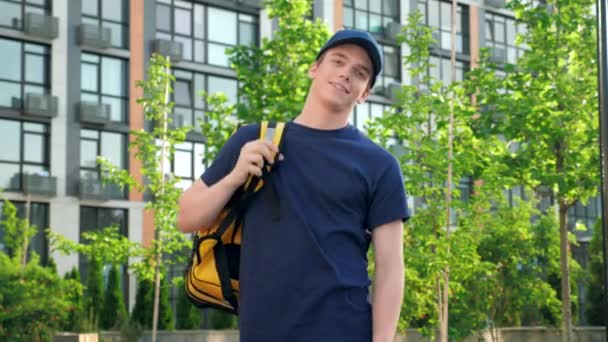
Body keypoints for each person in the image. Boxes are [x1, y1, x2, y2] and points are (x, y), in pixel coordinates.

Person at [177, 29, 410, 342]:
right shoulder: (254, 140)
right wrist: (235, 176)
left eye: (359, 73)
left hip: (344, 331)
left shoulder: (380, 165)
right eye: (338, 61)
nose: (345, 73)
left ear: (364, 92)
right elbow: (187, 217)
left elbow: (391, 267)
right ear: (314, 68)